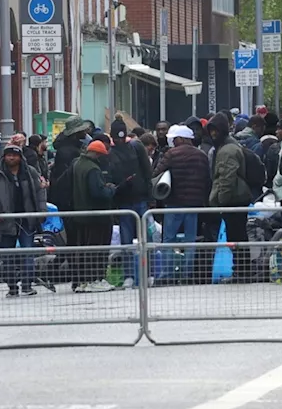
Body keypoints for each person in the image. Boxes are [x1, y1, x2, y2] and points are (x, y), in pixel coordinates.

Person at [0, 145, 47, 296]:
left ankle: (27, 285)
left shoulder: (30, 172)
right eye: (8, 155)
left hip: (27, 219)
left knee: (28, 252)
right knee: (8, 256)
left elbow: (40, 191)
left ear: (20, 157)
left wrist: (42, 211)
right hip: (6, 220)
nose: (11, 158)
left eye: (15, 155)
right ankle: (12, 287)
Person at [152, 125, 210, 284]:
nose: (172, 142)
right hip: (194, 204)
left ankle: (168, 274)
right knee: (190, 240)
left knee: (169, 239)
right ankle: (187, 274)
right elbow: (207, 179)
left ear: (181, 139)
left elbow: (156, 173)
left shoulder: (171, 154)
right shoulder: (202, 156)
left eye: (174, 139)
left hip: (174, 203)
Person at [206, 112, 255, 280]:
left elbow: (226, 178)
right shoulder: (229, 146)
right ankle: (242, 271)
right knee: (238, 236)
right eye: (211, 131)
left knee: (237, 237)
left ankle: (241, 271)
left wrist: (221, 201)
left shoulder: (227, 150)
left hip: (233, 199)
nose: (213, 134)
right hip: (236, 197)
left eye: (215, 131)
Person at [108, 118, 153, 289]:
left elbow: (147, 173)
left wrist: (150, 197)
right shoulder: (111, 153)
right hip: (124, 201)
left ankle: (147, 273)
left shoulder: (136, 147)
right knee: (127, 241)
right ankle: (129, 275)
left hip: (140, 199)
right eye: (116, 137)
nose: (119, 140)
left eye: (121, 137)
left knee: (145, 239)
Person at [71, 140, 116, 293]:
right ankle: (96, 279)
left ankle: (83, 281)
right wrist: (110, 190)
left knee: (85, 249)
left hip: (81, 214)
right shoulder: (93, 169)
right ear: (97, 154)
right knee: (98, 249)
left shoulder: (77, 165)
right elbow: (98, 194)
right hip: (97, 216)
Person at [48, 117, 90, 214]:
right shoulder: (67, 152)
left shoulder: (73, 148)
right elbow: (64, 178)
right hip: (69, 200)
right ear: (76, 133)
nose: (85, 133)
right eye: (83, 130)